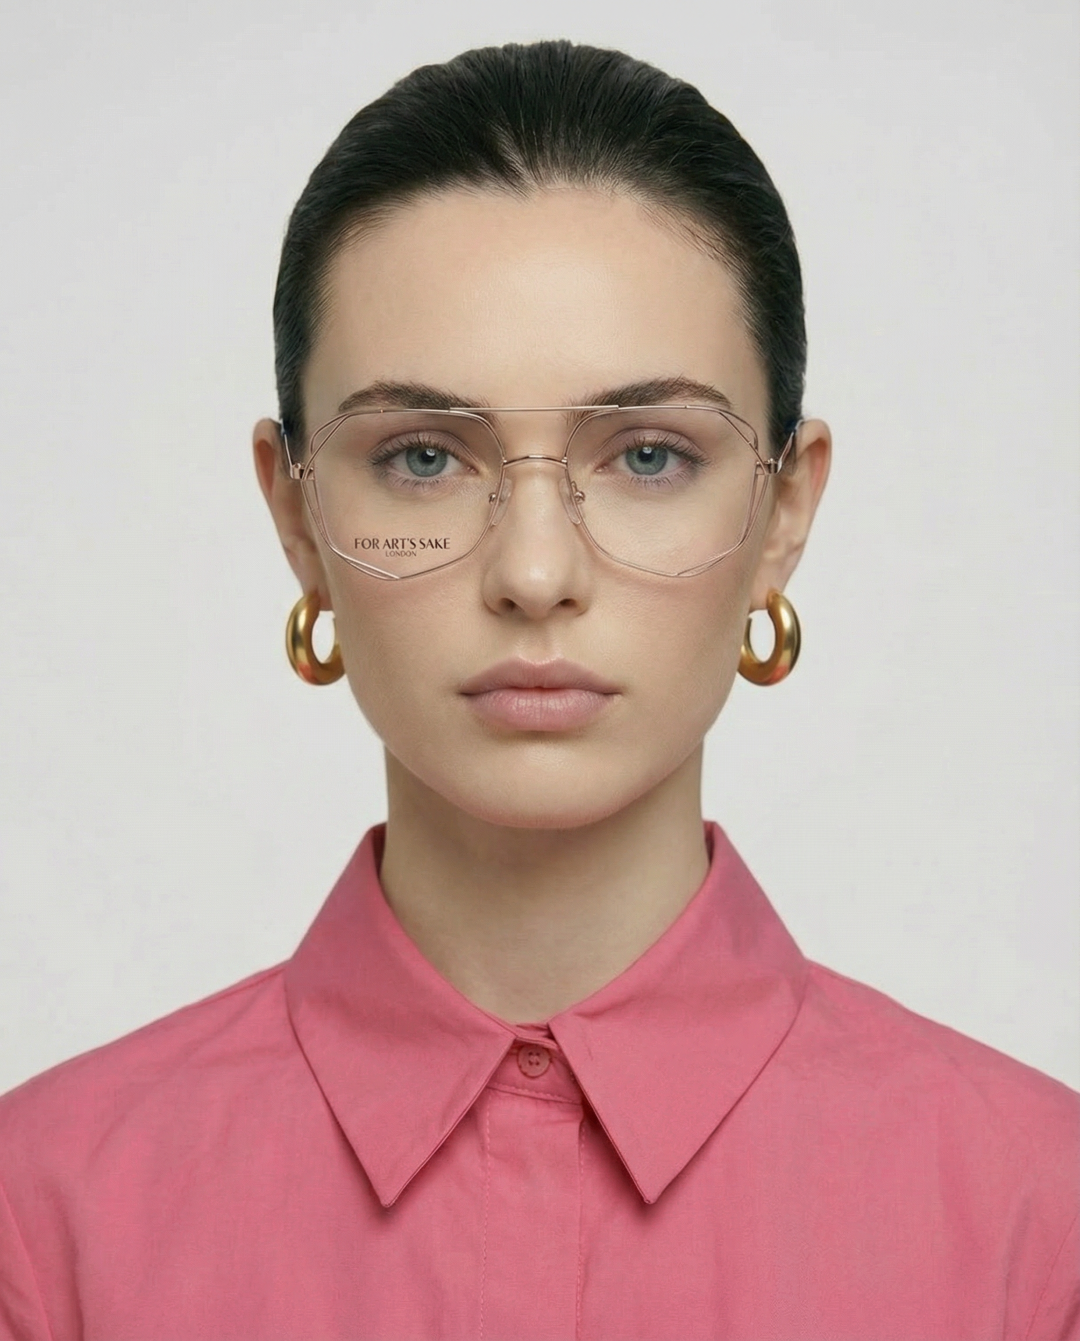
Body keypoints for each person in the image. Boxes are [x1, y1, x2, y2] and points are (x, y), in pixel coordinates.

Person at [0, 37, 1076, 1341]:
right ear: (295, 516)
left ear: (784, 511)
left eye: (648, 454)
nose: (533, 571)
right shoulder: (43, 1217)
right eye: (418, 458)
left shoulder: (1039, 1220)